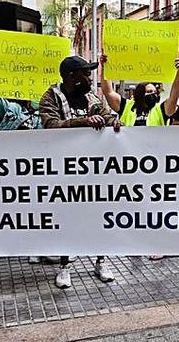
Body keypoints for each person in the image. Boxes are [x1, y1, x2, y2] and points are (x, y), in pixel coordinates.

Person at [39, 55, 121, 288]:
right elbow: (50, 125)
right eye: (85, 73)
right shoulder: (50, 97)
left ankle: (100, 261)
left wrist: (114, 122)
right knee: (69, 218)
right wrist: (82, 122)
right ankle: (65, 266)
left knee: (99, 216)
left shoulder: (92, 96)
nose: (89, 77)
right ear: (71, 77)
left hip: (95, 170)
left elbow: (107, 116)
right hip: (64, 171)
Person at [0, 52, 60, 266]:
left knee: (45, 210)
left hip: (42, 170)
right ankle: (31, 247)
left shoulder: (51, 115)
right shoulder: (12, 110)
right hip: (16, 171)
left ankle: (46, 247)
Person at [99, 54, 167, 127]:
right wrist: (105, 68)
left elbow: (174, 97)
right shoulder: (126, 106)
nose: (153, 94)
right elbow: (108, 92)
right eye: (149, 92)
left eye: (155, 92)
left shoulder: (159, 109)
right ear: (140, 93)